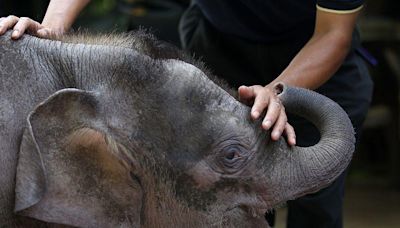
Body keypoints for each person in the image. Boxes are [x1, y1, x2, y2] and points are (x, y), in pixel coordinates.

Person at [0, 0, 373, 227]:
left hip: (314, 68)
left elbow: (332, 36)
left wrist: (277, 91)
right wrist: (51, 30)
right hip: (220, 51)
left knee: (313, 208)